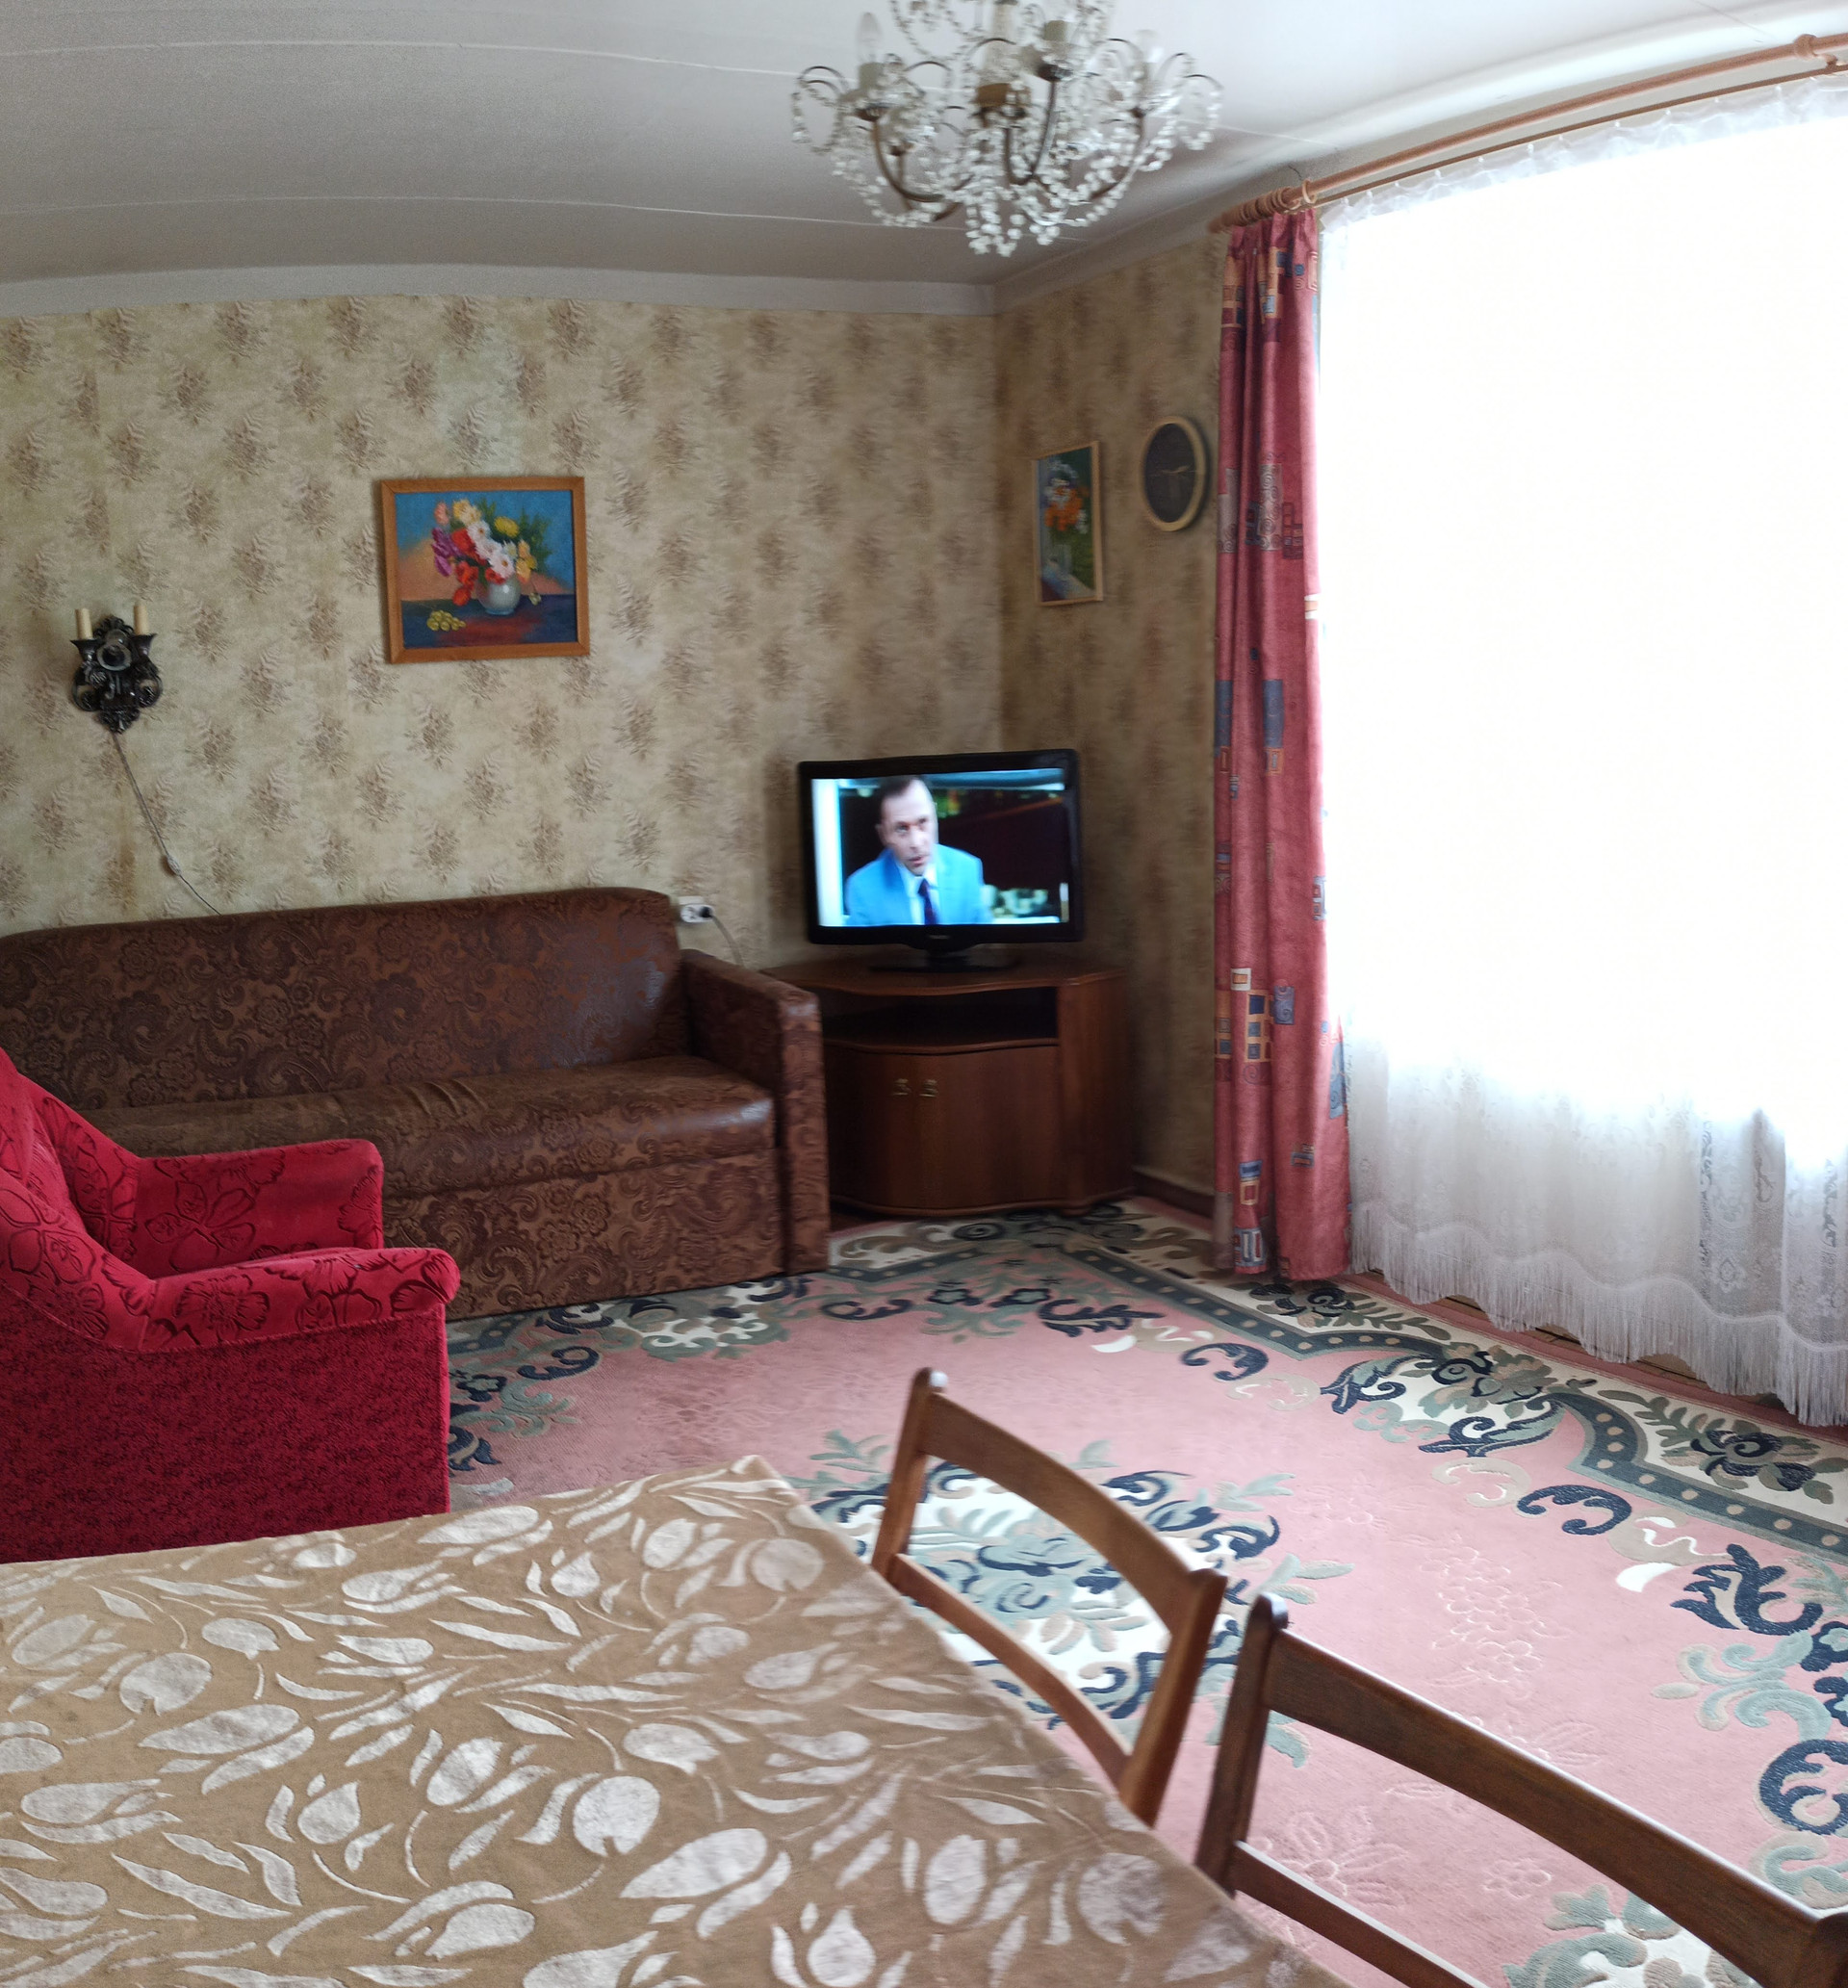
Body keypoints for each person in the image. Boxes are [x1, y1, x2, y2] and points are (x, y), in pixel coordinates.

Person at [843, 776, 989, 927]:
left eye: (923, 822)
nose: (916, 843)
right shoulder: (863, 889)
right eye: (901, 828)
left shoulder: (967, 869)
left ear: (935, 817)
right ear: (884, 835)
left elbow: (984, 938)